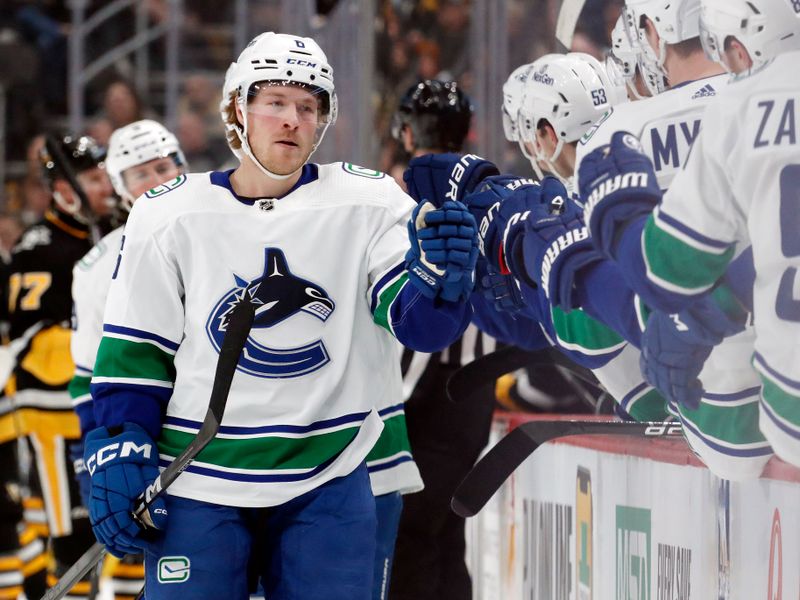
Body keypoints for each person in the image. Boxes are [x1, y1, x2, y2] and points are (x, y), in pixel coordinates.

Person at [84, 32, 477, 600]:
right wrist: (120, 441)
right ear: (237, 109)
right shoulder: (167, 213)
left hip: (332, 472)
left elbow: (418, 324)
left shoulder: (370, 203)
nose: (292, 119)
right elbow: (136, 352)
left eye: (307, 106)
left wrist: (440, 280)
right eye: (275, 101)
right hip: (198, 474)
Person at [576, 0, 800, 467]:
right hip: (767, 392)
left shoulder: (737, 106)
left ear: (652, 34)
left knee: (566, 267)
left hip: (737, 412)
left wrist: (617, 220)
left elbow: (668, 271)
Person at [69, 119, 187, 600]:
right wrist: (91, 460)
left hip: (226, 441)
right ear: (119, 187)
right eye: (141, 174)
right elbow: (87, 376)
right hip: (148, 446)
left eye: (163, 167)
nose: (156, 181)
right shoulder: (96, 268)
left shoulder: (229, 231)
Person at [388, 80, 496, 600]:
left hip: (419, 385)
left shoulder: (395, 189)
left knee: (412, 529)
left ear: (407, 130)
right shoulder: (485, 183)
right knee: (442, 527)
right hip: (472, 385)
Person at [6, 132, 113, 599]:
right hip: (55, 417)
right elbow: (28, 341)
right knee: (71, 536)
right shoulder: (39, 249)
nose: (106, 185)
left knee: (125, 534)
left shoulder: (119, 229)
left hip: (104, 410)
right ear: (64, 189)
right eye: (93, 178)